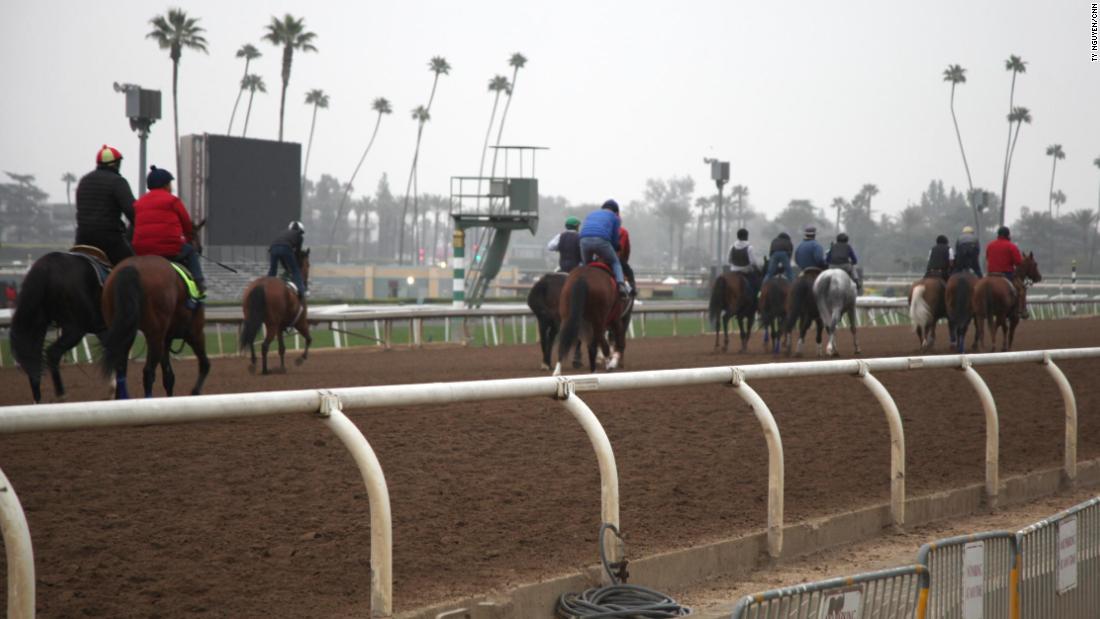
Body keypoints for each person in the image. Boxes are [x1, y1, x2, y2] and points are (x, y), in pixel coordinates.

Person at [131, 166, 204, 295]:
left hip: (142, 251)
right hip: (169, 248)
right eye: (170, 184)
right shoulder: (172, 200)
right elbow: (186, 224)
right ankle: (199, 285)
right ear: (165, 185)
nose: (171, 188)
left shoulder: (138, 203)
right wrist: (187, 239)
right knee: (191, 251)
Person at [74, 145, 136, 265]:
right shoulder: (118, 181)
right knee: (131, 268)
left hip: (82, 238)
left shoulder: (84, 180)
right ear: (116, 164)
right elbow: (132, 212)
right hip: (109, 239)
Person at [579, 199, 631, 298]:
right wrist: (616, 247)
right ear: (616, 212)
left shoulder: (591, 214)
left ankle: (581, 281)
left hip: (584, 240)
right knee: (616, 263)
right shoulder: (615, 218)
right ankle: (621, 286)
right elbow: (615, 239)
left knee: (586, 265)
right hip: (601, 241)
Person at [986, 225, 1027, 318]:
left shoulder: (990, 245)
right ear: (1008, 235)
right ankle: (1021, 311)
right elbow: (1018, 262)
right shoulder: (1011, 246)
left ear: (998, 235)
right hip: (1006, 274)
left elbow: (987, 258)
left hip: (991, 275)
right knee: (1022, 289)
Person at [269, 221, 308, 297]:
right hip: (286, 248)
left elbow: (282, 258)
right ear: (300, 230)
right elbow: (297, 252)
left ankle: (267, 285)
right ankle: (302, 292)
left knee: (272, 270)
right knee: (295, 270)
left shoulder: (283, 233)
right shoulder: (299, 236)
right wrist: (296, 264)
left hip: (273, 248)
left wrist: (286, 267)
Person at [728, 228, 763, 296]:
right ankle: (757, 297)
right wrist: (758, 270)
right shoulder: (749, 248)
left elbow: (729, 260)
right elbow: (753, 263)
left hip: (733, 271)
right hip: (746, 272)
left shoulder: (732, 247)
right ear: (746, 236)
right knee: (757, 284)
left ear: (738, 237)